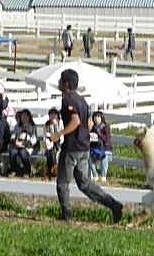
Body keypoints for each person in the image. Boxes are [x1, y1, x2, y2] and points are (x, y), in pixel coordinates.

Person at [49, 69, 123, 222]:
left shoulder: (68, 99)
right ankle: (113, 204)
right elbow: (88, 123)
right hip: (84, 147)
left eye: (61, 80)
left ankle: (67, 216)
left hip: (72, 147)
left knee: (62, 183)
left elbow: (75, 121)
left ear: (66, 84)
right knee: (84, 184)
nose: (59, 82)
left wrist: (58, 134)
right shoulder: (82, 100)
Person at [8, 109, 37, 177]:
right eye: (22, 116)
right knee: (13, 151)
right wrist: (15, 141)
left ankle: (27, 170)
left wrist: (26, 144)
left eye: (25, 116)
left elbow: (34, 139)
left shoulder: (32, 126)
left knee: (23, 152)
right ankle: (13, 170)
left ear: (29, 117)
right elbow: (13, 136)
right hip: (17, 145)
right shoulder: (17, 126)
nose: (23, 118)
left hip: (28, 146)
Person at [89, 111, 113, 183]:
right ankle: (95, 175)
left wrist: (99, 134)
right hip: (95, 148)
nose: (96, 118)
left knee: (104, 157)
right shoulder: (93, 127)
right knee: (88, 157)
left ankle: (103, 176)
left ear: (102, 118)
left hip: (105, 148)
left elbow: (107, 139)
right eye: (95, 117)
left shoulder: (105, 126)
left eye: (98, 117)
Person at [43, 107, 62, 180]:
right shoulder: (47, 124)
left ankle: (50, 172)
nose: (53, 116)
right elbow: (45, 135)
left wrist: (56, 137)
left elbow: (62, 134)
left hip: (59, 144)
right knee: (50, 152)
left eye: (54, 114)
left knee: (53, 152)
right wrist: (50, 138)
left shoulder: (60, 123)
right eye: (51, 114)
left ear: (57, 115)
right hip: (50, 144)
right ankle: (53, 171)